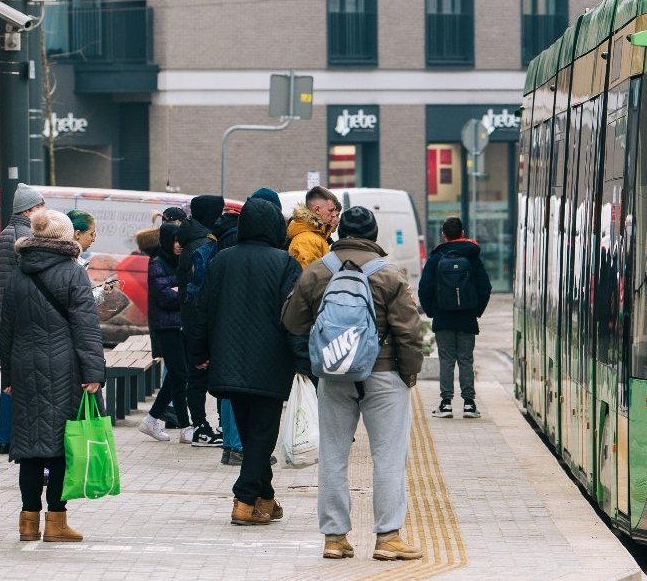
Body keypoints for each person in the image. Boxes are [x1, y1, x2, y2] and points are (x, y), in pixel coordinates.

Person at [282, 206, 425, 561]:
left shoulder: (319, 271)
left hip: (333, 375)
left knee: (333, 455)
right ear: (374, 235)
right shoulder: (391, 275)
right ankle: (388, 538)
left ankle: (334, 538)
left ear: (341, 231)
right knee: (388, 457)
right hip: (384, 375)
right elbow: (409, 333)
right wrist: (408, 375)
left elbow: (291, 321)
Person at [186, 196, 302, 524]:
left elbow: (201, 310)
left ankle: (266, 498)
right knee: (263, 433)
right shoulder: (285, 264)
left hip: (229, 360)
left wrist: (199, 355)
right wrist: (303, 360)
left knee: (252, 435)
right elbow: (292, 317)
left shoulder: (222, 261)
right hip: (270, 363)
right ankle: (244, 498)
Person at [0, 210, 105, 543]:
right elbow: (86, 328)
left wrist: (8, 375)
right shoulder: (73, 274)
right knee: (60, 448)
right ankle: (56, 523)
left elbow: (5, 331)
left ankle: (28, 523)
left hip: (26, 369)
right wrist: (94, 373)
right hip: (65, 369)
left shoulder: (17, 275)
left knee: (29, 448)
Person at [418, 217, 491, 419]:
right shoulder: (473, 256)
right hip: (467, 318)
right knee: (466, 360)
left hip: (443, 317)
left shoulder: (436, 257)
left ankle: (446, 404)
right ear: (462, 233)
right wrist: (476, 310)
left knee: (447, 360)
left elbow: (424, 288)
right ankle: (469, 404)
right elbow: (485, 287)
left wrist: (432, 311)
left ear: (444, 234)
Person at [0, 184, 45, 455]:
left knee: (7, 378)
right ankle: (17, 437)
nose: (42, 212)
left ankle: (3, 436)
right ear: (29, 210)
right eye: (40, 207)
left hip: (4, 318)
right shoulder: (28, 237)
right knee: (23, 380)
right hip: (24, 318)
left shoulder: (2, 236)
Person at [175, 195, 226, 448]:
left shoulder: (189, 239)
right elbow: (201, 291)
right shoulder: (204, 245)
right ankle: (202, 428)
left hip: (190, 319)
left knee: (196, 376)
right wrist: (201, 340)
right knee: (200, 373)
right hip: (199, 322)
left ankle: (200, 425)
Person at [138, 225, 191, 439]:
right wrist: (182, 291)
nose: (178, 245)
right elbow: (165, 296)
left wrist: (179, 290)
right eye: (175, 241)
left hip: (180, 324)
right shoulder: (158, 261)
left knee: (179, 375)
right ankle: (183, 426)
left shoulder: (179, 260)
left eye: (181, 241)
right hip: (166, 326)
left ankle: (153, 420)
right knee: (180, 374)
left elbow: (179, 291)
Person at [287, 186, 341, 269]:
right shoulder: (306, 241)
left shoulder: (316, 235)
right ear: (317, 210)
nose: (334, 215)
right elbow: (309, 279)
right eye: (330, 210)